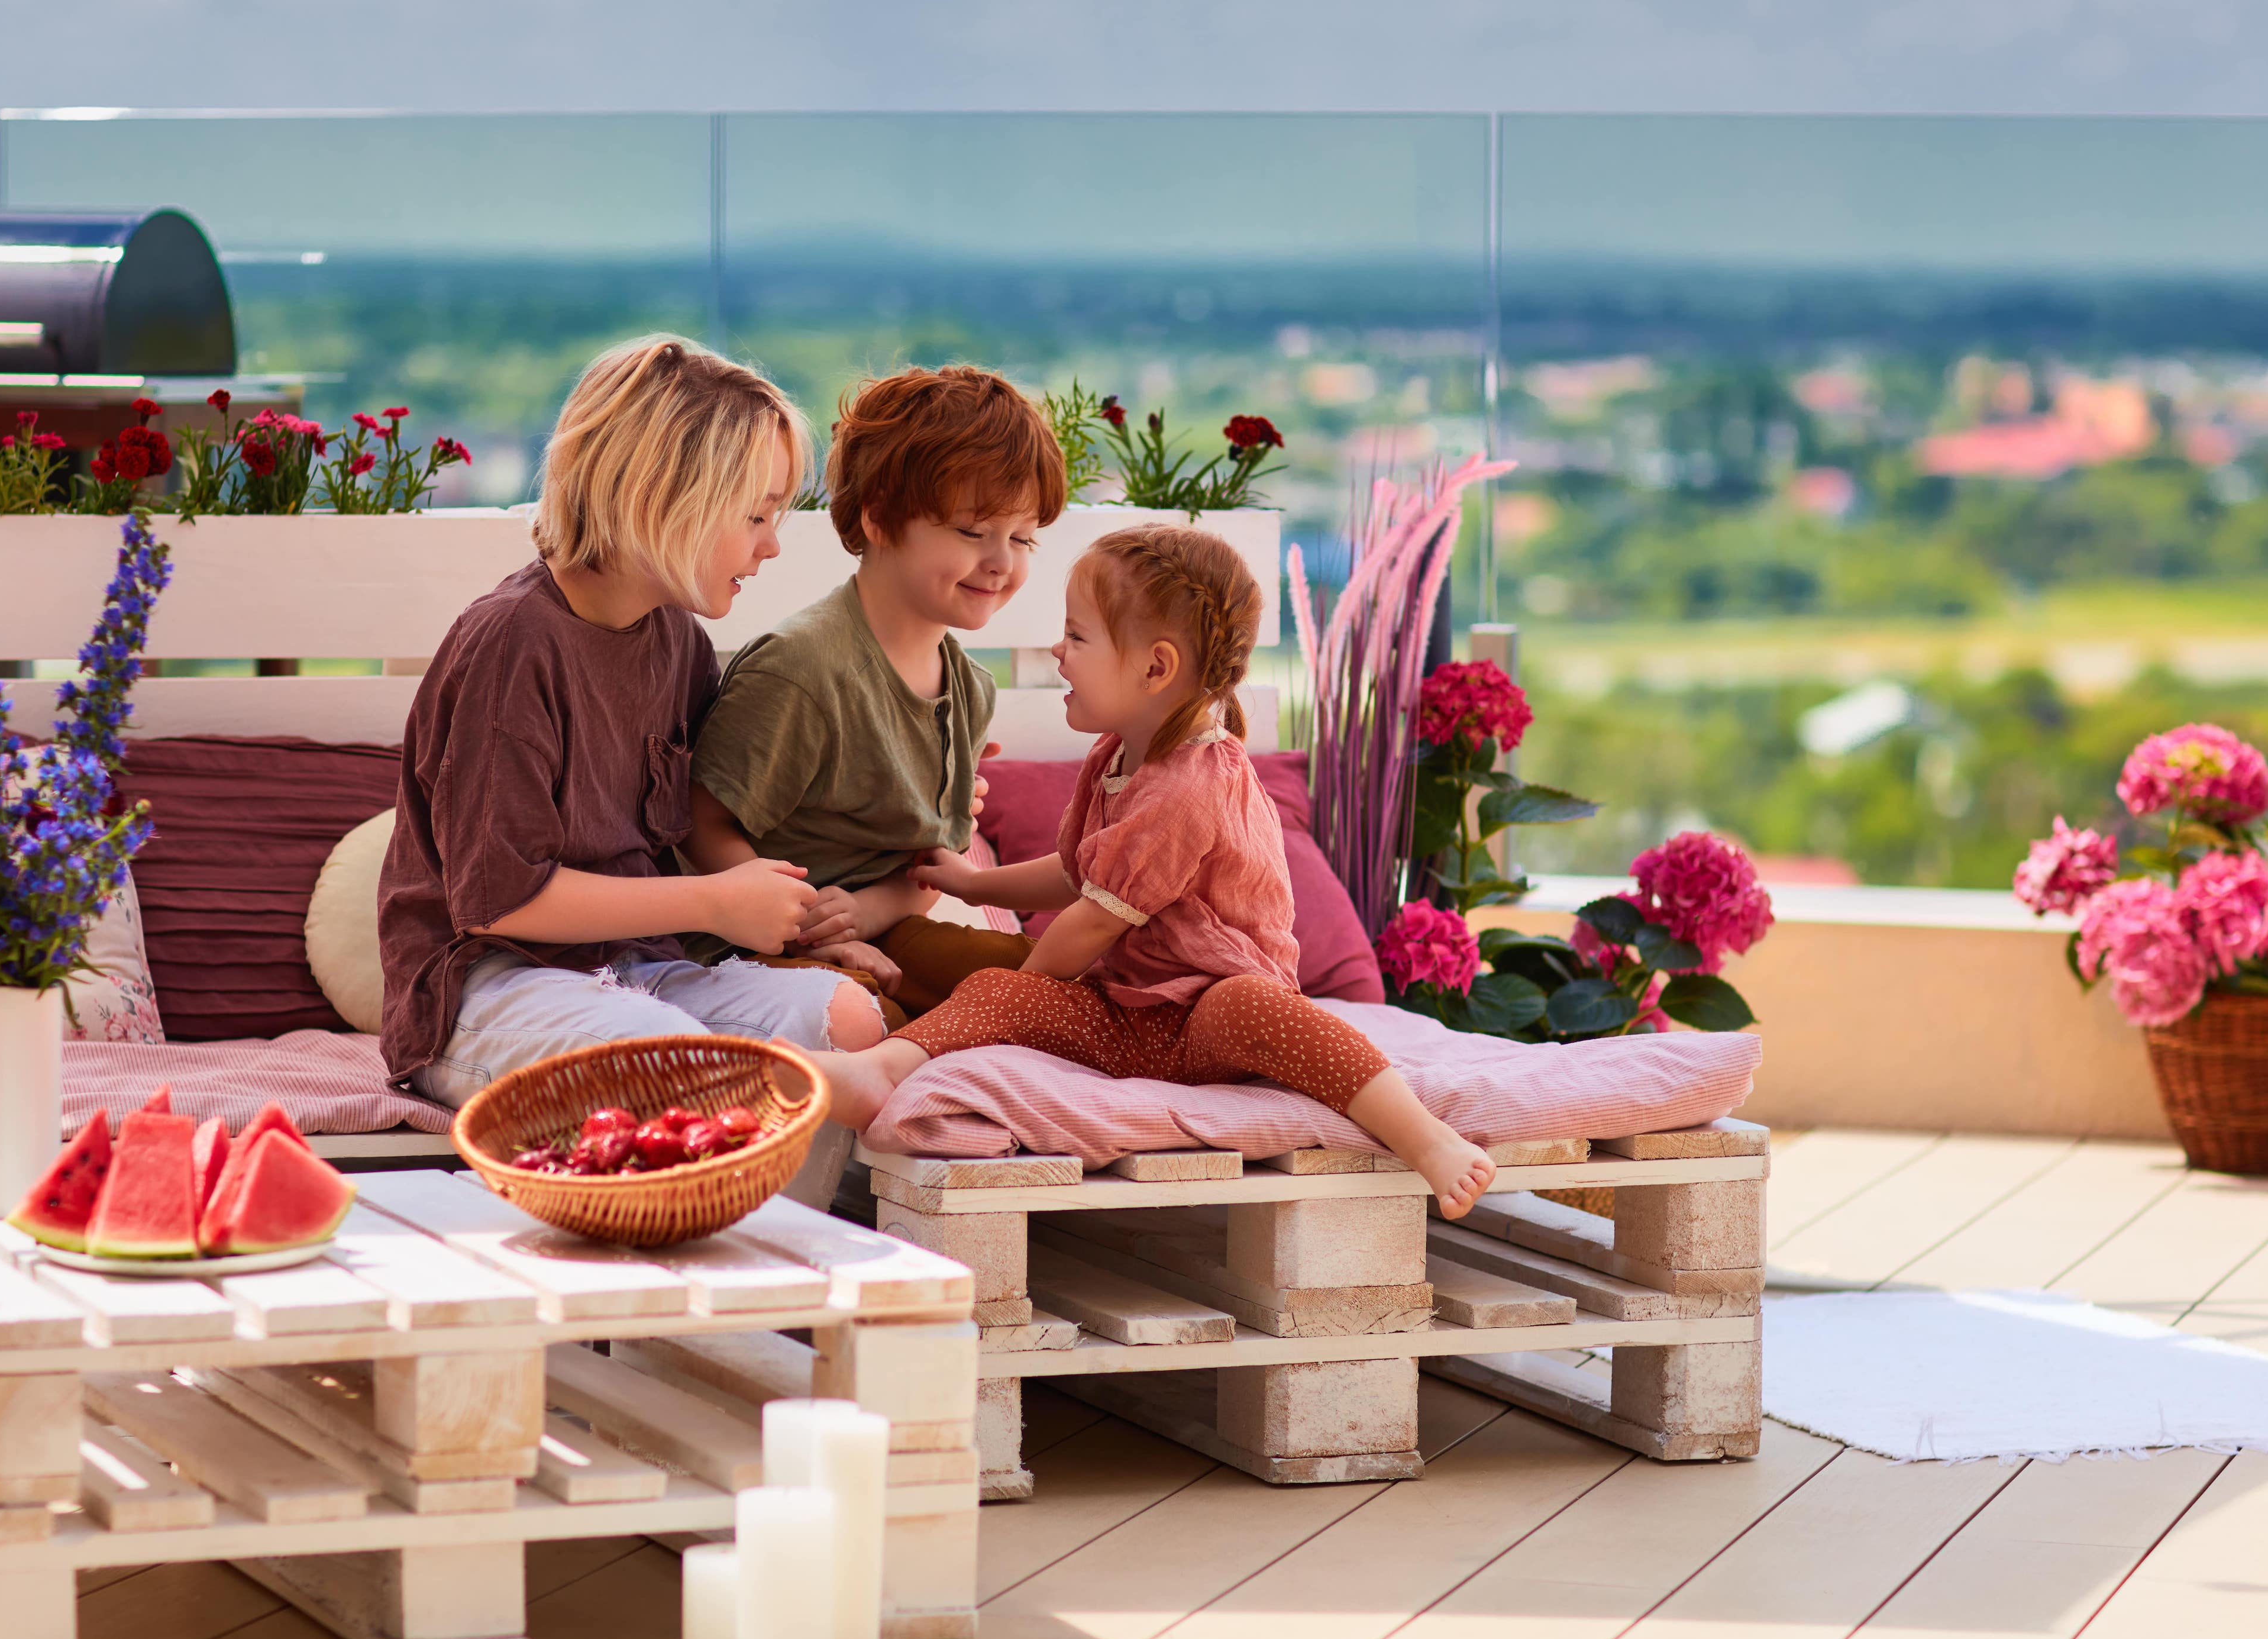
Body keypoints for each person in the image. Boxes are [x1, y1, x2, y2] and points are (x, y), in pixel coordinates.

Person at [812, 523, 1500, 1216]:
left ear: (1154, 667)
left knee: (1248, 1005)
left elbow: (1087, 922)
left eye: (1077, 637)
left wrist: (1023, 1003)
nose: (1058, 650)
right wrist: (971, 884)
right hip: (1131, 1015)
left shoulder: (1190, 783)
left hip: (1206, 1020)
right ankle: (880, 1071)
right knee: (995, 986)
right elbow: (1080, 871)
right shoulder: (1116, 754)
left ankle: (1424, 1136)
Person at [377, 335, 890, 1109]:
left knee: (844, 1017)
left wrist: (811, 920)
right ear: (664, 498)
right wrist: (712, 905)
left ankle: (773, 1216)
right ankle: (740, 1158)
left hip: (634, 970)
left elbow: (699, 828)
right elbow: (499, 900)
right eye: (755, 514)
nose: (772, 544)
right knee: (653, 1051)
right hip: (487, 991)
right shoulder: (513, 642)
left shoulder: (675, 639)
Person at [685, 364, 1058, 1021]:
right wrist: (812, 928)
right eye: (973, 532)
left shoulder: (969, 691)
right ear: (881, 520)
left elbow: (930, 864)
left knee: (1046, 986)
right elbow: (701, 827)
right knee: (867, 1018)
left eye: (1022, 537)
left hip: (879, 930)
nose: (1002, 561)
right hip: (754, 950)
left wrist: (864, 913)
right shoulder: (803, 670)